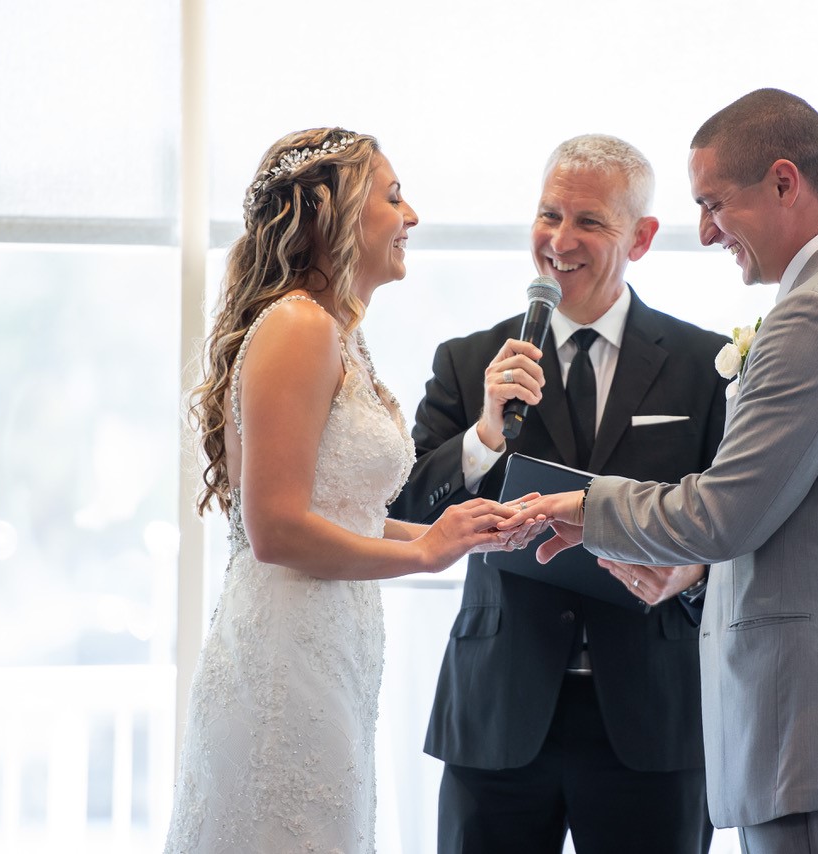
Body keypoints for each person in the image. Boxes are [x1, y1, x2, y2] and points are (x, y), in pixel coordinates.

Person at [502, 89, 818, 854]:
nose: (705, 232)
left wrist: (585, 505)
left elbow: (723, 513)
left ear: (783, 182)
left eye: (714, 204)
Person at [162, 127, 544, 854]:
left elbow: (344, 512)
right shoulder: (299, 327)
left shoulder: (339, 333)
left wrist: (460, 527)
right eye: (393, 197)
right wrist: (424, 553)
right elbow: (274, 529)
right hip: (285, 655)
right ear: (330, 213)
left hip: (332, 645)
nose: (413, 217)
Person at [390, 134, 727, 853]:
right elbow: (403, 512)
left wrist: (693, 573)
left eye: (589, 222)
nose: (559, 240)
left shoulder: (705, 368)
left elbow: (739, 524)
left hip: (653, 714)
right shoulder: (469, 361)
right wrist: (483, 434)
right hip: (499, 710)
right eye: (548, 215)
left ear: (640, 238)